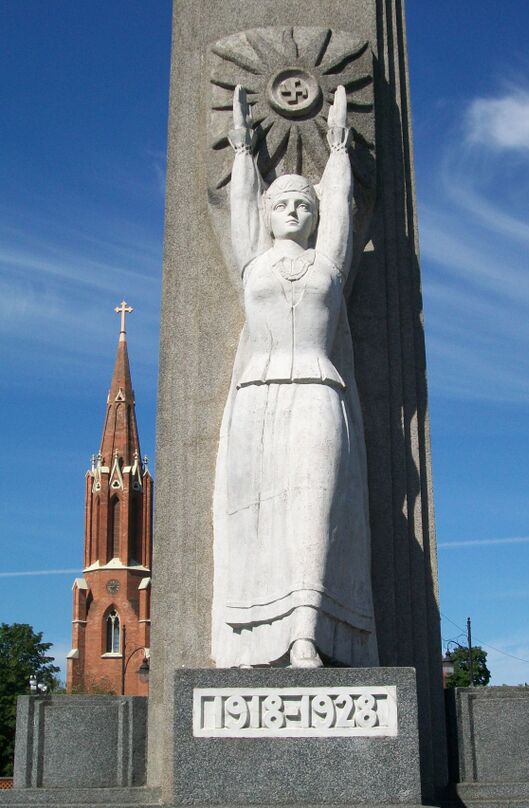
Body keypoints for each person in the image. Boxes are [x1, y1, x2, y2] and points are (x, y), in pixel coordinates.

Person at [212, 84, 378, 668]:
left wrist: (339, 147)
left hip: (316, 391)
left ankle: (306, 635)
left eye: (303, 204)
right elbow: (240, 208)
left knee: (315, 507)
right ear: (267, 212)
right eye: (282, 202)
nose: (293, 210)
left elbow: (341, 208)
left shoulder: (328, 266)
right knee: (257, 517)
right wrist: (241, 148)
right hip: (256, 398)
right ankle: (252, 639)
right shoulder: (253, 263)